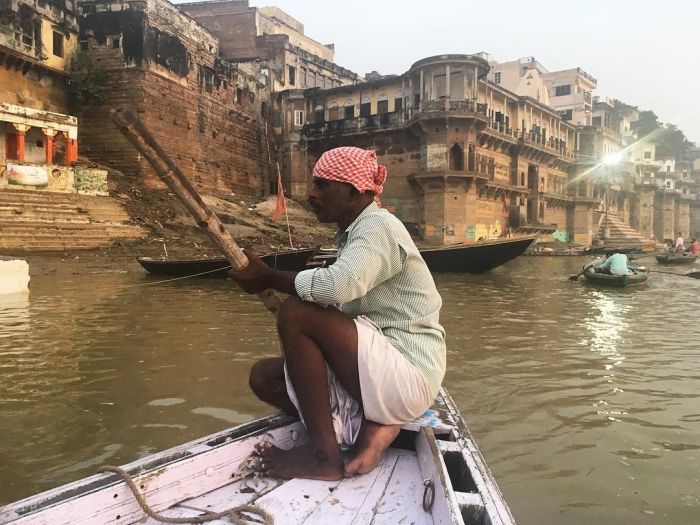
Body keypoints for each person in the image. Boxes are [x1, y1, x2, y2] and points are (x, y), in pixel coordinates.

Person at [230, 147, 446, 481]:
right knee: (265, 377)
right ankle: (370, 430)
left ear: (352, 190)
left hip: (407, 374)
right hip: (380, 376)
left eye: (322, 185)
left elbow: (334, 289)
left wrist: (268, 277)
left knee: (297, 312)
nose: (311, 194)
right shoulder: (353, 233)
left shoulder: (379, 227)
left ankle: (323, 457)